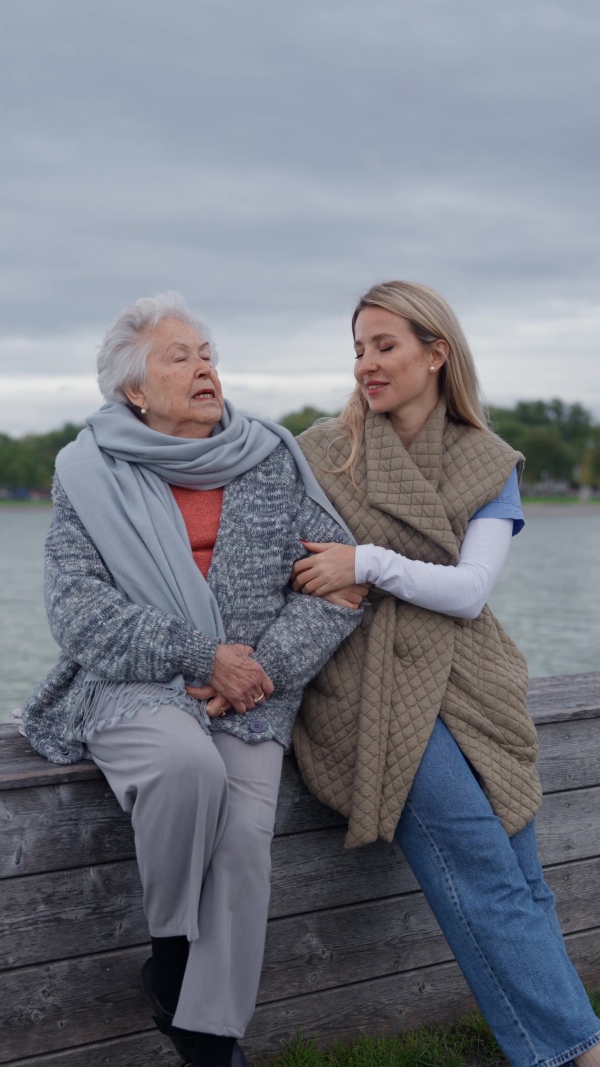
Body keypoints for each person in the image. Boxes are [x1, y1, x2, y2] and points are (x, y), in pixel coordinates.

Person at [22, 292, 363, 1067]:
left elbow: (341, 587)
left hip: (254, 691)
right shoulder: (87, 470)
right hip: (132, 683)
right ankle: (171, 958)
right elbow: (76, 610)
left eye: (206, 351)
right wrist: (199, 655)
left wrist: (262, 667)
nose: (204, 365)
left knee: (244, 841)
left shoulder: (272, 456)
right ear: (134, 390)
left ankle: (208, 1038)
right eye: (180, 356)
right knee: (185, 766)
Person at [290, 280, 600, 1067]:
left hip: (473, 681)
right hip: (374, 688)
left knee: (525, 880)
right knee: (483, 871)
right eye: (358, 347)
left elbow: (467, 592)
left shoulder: (488, 461)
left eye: (384, 345)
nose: (366, 362)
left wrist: (365, 561)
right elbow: (282, 566)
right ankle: (573, 1054)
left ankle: (553, 1046)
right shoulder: (324, 452)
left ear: (437, 353)